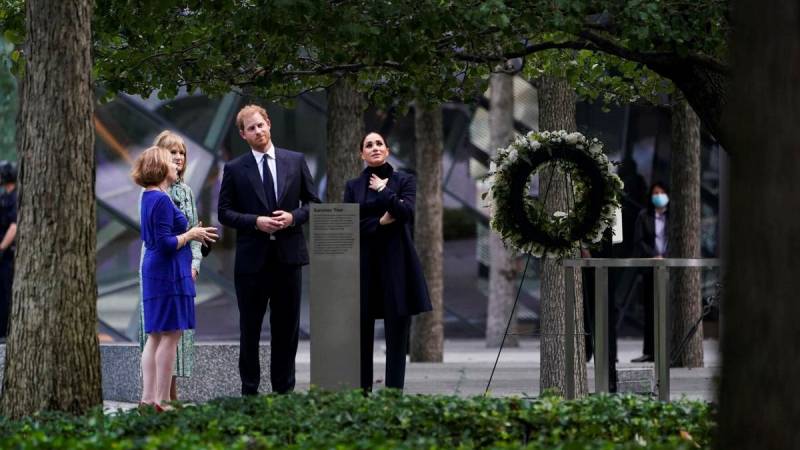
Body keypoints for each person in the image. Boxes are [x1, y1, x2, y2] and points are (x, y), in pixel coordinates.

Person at [218, 104, 319, 395]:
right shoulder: (235, 168)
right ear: (243, 135)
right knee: (250, 330)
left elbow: (313, 203)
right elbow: (224, 212)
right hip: (252, 263)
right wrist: (255, 222)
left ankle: (283, 393)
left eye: (261, 125)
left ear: (269, 124)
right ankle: (250, 392)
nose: (258, 131)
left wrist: (293, 217)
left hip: (288, 259)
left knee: (286, 331)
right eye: (251, 128)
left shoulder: (295, 160)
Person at [343, 132, 432, 392]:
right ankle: (362, 394)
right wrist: (379, 223)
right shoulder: (353, 186)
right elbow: (348, 226)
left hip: (397, 265)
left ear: (387, 150)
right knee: (361, 333)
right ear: (362, 154)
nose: (374, 148)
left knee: (397, 334)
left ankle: (394, 395)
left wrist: (383, 190)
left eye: (379, 144)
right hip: (364, 266)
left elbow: (405, 213)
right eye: (368, 145)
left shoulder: (404, 180)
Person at [132, 146, 218, 409]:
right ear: (159, 167)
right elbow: (165, 243)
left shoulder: (151, 197)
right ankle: (160, 400)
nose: (177, 164)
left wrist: (193, 233)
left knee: (157, 336)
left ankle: (149, 399)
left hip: (159, 272)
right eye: (171, 161)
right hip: (167, 273)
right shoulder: (159, 199)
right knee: (170, 335)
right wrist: (191, 234)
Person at [631, 182, 670, 363]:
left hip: (669, 267)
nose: (659, 195)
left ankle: (668, 350)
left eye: (662, 192)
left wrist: (666, 257)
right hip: (650, 268)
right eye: (656, 192)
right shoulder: (644, 216)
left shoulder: (673, 217)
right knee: (650, 310)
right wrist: (655, 256)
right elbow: (639, 241)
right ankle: (650, 351)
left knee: (667, 309)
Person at [0, 161, 17, 341]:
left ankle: (5, 333)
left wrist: (2, 247)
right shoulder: (4, 196)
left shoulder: (15, 198)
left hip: (7, 255)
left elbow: (14, 226)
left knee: (5, 292)